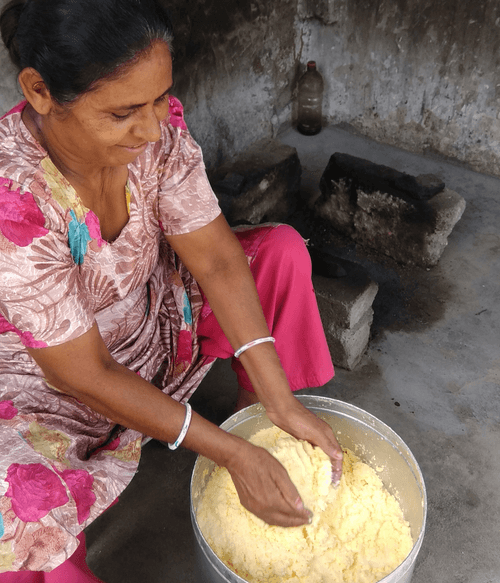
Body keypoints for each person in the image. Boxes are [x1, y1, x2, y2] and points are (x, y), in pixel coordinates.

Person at [0, 0, 343, 579]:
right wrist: (225, 453)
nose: (154, 126)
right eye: (124, 112)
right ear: (39, 92)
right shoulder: (14, 201)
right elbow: (79, 372)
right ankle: (229, 448)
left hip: (158, 324)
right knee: (24, 524)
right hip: (52, 389)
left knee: (277, 253)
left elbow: (215, 258)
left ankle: (257, 422)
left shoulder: (156, 134)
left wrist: (279, 400)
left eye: (161, 98)